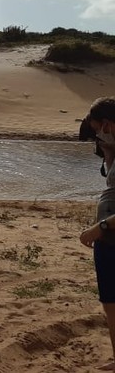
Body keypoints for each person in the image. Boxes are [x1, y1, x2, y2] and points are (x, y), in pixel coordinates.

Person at [78, 96, 115, 371]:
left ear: (107, 124)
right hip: (109, 241)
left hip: (110, 238)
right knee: (111, 304)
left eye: (97, 128)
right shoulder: (113, 150)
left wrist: (100, 227)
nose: (98, 135)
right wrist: (110, 155)